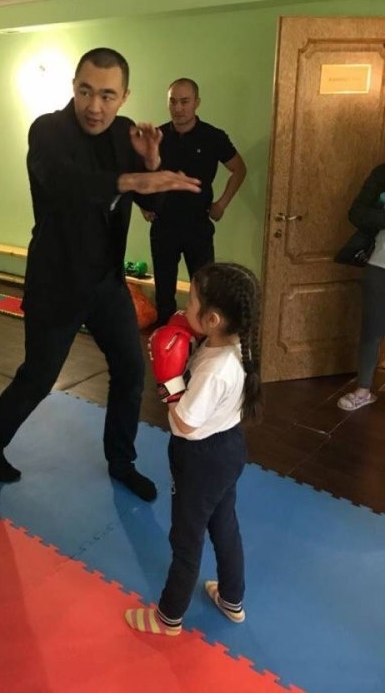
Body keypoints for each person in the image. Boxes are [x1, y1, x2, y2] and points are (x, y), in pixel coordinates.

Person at [0, 47, 202, 502]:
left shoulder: (125, 133)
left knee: (130, 370)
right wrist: (131, 179)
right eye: (85, 91)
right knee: (38, 378)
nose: (94, 106)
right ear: (73, 88)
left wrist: (150, 163)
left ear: (124, 96)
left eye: (107, 95)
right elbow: (64, 183)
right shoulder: (47, 131)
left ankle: (121, 461)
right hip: (56, 280)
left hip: (106, 282)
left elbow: (151, 204)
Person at [125, 262, 262, 636]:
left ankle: (168, 618)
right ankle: (232, 598)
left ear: (213, 319)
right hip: (229, 448)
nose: (185, 309)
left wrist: (167, 378)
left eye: (192, 302)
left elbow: (184, 423)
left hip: (200, 459)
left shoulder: (214, 370)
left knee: (185, 541)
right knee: (224, 524)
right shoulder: (235, 347)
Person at [143, 78, 247, 325]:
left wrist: (222, 204)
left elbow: (239, 169)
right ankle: (166, 341)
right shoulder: (156, 137)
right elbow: (142, 174)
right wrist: (144, 204)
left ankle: (203, 342)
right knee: (164, 294)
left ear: (196, 103)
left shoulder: (213, 136)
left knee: (204, 292)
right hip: (164, 226)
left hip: (198, 226)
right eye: (173, 102)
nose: (178, 108)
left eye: (185, 101)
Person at [337, 163, 385, 411]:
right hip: (380, 263)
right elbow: (357, 212)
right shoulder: (382, 173)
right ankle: (364, 389)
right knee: (372, 328)